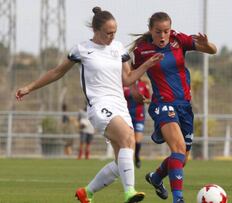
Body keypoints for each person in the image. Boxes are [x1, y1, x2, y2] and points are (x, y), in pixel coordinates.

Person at [15, 6, 163, 203]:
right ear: (96, 31)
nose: (112, 36)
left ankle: (87, 192)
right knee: (128, 138)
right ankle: (130, 193)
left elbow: (127, 80)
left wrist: (145, 65)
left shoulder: (118, 48)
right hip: (99, 105)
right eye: (108, 33)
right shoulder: (82, 49)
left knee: (122, 161)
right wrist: (29, 87)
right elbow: (57, 72)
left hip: (120, 105)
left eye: (114, 32)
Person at [129, 12, 217, 203]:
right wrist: (134, 89)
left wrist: (207, 43)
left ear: (170, 30)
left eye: (166, 31)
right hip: (162, 104)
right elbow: (131, 74)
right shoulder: (142, 50)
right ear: (151, 30)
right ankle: (178, 199)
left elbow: (213, 50)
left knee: (182, 159)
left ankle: (156, 177)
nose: (162, 36)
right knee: (177, 149)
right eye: (158, 31)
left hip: (184, 105)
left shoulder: (178, 40)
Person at [124, 76, 151, 168]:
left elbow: (148, 99)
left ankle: (137, 156)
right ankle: (129, 161)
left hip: (139, 116)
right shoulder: (125, 85)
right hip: (127, 115)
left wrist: (142, 99)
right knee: (129, 139)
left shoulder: (143, 85)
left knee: (138, 140)